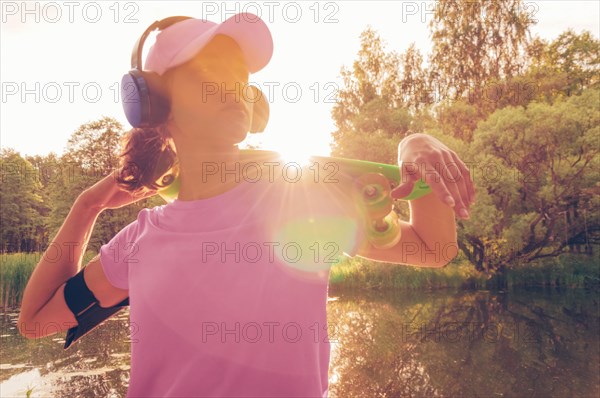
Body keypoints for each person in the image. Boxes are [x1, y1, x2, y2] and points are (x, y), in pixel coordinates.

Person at [17, 12, 476, 397]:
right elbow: (35, 322)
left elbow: (433, 248)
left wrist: (417, 143)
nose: (232, 89)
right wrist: (86, 206)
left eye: (240, 79)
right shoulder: (137, 241)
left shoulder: (299, 202)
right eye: (208, 75)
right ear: (155, 105)